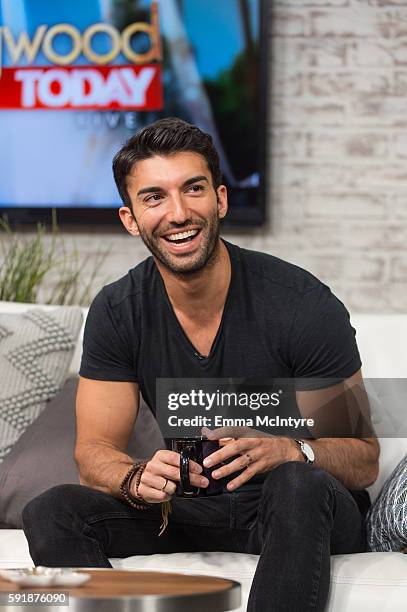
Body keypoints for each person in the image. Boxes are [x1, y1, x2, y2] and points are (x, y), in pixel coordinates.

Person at [22, 117, 379, 612]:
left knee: (295, 483)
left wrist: (292, 451)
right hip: (190, 507)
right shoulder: (118, 309)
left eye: (193, 189)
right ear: (130, 219)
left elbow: (363, 459)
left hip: (301, 508)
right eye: (154, 197)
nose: (178, 212)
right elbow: (94, 452)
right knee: (52, 510)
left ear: (221, 200)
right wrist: (134, 477)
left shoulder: (301, 304)